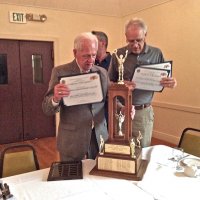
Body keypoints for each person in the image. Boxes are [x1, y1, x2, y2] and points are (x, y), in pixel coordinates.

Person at [108, 18, 177, 147]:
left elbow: (165, 76)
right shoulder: (118, 54)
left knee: (142, 150)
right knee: (121, 150)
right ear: (126, 37)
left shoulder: (156, 53)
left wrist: (171, 82)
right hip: (121, 111)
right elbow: (109, 83)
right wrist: (122, 86)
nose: (135, 45)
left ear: (145, 35)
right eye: (131, 41)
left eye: (138, 40)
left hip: (143, 112)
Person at [42, 32, 109, 161]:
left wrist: (123, 108)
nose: (91, 60)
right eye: (86, 56)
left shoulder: (102, 73)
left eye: (94, 55)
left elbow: (107, 99)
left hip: (99, 138)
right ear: (75, 53)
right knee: (70, 179)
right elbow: (46, 108)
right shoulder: (60, 72)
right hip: (72, 141)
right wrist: (55, 98)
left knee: (98, 179)